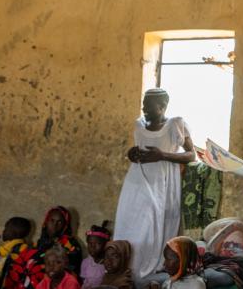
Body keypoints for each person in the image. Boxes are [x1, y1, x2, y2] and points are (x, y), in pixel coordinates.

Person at [113, 89, 195, 281]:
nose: (144, 109)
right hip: (137, 181)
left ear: (163, 107)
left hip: (162, 183)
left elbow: (192, 155)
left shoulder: (175, 124)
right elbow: (138, 150)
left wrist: (163, 155)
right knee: (131, 224)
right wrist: (131, 154)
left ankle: (150, 269)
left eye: (149, 106)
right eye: (144, 105)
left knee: (153, 224)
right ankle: (129, 268)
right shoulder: (138, 125)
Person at [5, 207, 81, 288]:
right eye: (52, 220)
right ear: (46, 221)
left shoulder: (70, 243)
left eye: (59, 222)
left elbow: (69, 268)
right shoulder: (42, 241)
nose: (54, 225)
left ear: (65, 225)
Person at [0, 217, 31, 288]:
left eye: (6, 229)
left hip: (4, 276)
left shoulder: (13, 244)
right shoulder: (24, 245)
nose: (3, 231)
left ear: (15, 234)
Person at [80, 222, 110, 289]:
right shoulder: (85, 262)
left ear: (106, 245)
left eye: (98, 243)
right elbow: (83, 280)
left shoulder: (108, 264)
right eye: (90, 243)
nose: (93, 246)